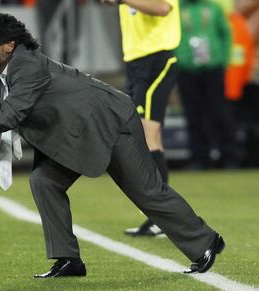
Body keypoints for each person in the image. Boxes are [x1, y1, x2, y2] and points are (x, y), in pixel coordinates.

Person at [0, 12, 225, 278]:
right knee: (43, 181)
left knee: (146, 191)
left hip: (108, 120)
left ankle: (205, 242)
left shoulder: (28, 65)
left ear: (9, 44)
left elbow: (11, 113)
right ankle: (68, 260)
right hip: (69, 133)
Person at [100, 0, 180, 237]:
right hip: (136, 61)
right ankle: (159, 216)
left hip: (158, 58)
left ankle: (163, 217)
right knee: (143, 136)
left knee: (149, 134)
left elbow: (163, 8)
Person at [176, 0, 237, 169]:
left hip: (213, 69)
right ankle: (199, 158)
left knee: (220, 112)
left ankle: (228, 157)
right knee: (193, 115)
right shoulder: (175, 9)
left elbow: (226, 34)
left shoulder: (213, 8)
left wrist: (223, 61)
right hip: (186, 70)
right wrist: (178, 60)